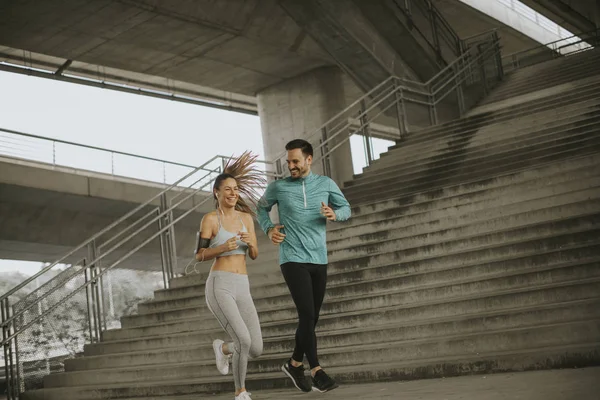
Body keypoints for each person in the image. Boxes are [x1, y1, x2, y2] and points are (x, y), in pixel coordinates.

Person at [257, 139, 351, 393]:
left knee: (312, 318)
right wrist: (269, 229)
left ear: (309, 159)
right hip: (292, 258)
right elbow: (261, 208)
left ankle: (294, 363)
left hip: (319, 259)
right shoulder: (278, 187)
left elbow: (346, 209)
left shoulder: (326, 184)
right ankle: (316, 370)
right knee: (307, 314)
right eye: (288, 161)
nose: (291, 166)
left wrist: (334, 214)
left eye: (295, 161)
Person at [196, 152, 265, 400]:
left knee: (255, 348)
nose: (233, 193)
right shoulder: (211, 220)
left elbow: (254, 254)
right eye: (227, 189)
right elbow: (200, 255)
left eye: (235, 189)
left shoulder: (246, 218)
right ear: (217, 192)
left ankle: (223, 347)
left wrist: (251, 243)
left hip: (242, 285)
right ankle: (240, 392)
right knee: (243, 340)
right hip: (220, 284)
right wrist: (222, 248)